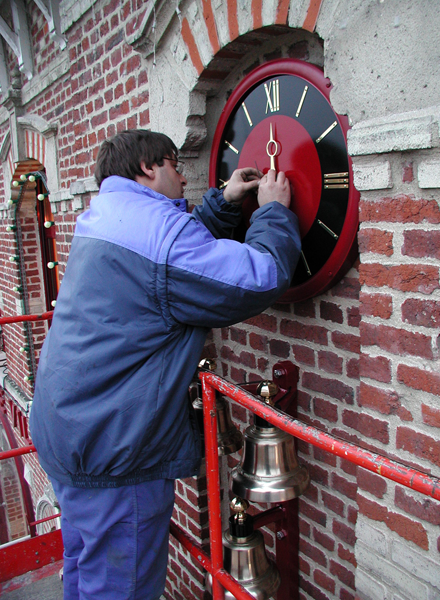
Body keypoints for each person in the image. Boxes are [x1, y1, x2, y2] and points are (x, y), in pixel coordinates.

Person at [29, 129, 301, 600]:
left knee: (83, 567)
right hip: (113, 449)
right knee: (119, 588)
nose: (183, 176)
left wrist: (222, 203)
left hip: (67, 429)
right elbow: (257, 278)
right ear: (149, 168)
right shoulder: (160, 237)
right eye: (176, 165)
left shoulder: (109, 213)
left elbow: (171, 265)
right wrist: (273, 211)